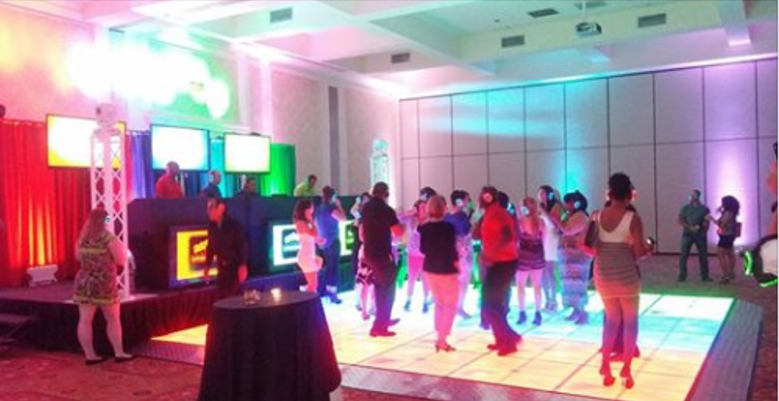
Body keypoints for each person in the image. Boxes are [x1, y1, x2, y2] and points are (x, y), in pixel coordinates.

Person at [591, 173, 653, 389]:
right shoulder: (633, 218)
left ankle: (605, 364)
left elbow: (590, 245)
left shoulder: (597, 215)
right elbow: (638, 253)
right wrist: (649, 248)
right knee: (630, 322)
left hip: (603, 274)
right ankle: (626, 369)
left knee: (611, 320)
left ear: (609, 192)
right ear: (629, 193)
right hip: (626, 275)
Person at [73, 208, 133, 364]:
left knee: (85, 319)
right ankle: (119, 352)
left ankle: (90, 355)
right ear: (106, 221)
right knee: (113, 318)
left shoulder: (82, 238)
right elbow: (121, 260)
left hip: (84, 282)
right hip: (104, 282)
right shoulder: (109, 238)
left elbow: (78, 257)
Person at [474, 186, 522, 356]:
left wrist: (491, 254)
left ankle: (508, 341)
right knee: (491, 303)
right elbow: (475, 234)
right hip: (499, 262)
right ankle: (506, 338)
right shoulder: (489, 213)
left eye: (484, 196)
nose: (481, 199)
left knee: (491, 303)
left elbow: (507, 236)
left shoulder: (498, 213)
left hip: (503, 262)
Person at [361, 182, 405, 337]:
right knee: (387, 291)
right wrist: (404, 223)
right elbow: (398, 232)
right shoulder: (386, 210)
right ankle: (380, 326)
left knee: (380, 287)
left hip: (368, 253)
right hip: (382, 255)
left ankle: (382, 320)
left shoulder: (366, 208)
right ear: (386, 194)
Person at [419, 195, 460, 352]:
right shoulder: (448, 228)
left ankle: (439, 335)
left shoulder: (424, 228)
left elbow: (423, 249)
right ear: (443, 208)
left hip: (430, 268)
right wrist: (457, 265)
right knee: (451, 304)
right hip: (446, 269)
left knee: (440, 303)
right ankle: (442, 338)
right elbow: (451, 250)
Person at [548, 190, 591, 325]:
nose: (566, 205)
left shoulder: (581, 216)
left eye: (568, 202)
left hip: (578, 257)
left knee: (578, 285)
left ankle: (582, 312)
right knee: (569, 285)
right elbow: (561, 230)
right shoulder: (570, 215)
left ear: (577, 203)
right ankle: (575, 310)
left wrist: (556, 219)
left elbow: (568, 230)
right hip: (568, 256)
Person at [204, 198, 248, 298]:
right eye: (207, 208)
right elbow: (210, 247)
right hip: (221, 268)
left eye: (211, 207)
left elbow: (242, 245)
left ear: (221, 208)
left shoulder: (234, 225)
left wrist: (243, 265)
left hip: (234, 268)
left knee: (231, 298)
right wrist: (207, 266)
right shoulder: (212, 226)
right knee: (221, 297)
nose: (208, 211)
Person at [515, 197, 546, 326]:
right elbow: (543, 240)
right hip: (538, 255)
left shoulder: (520, 222)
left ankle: (522, 312)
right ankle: (538, 313)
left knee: (520, 285)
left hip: (523, 256)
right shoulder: (541, 222)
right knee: (537, 285)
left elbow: (516, 241)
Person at [445, 190, 474, 319]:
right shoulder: (461, 216)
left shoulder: (447, 216)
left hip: (450, 252)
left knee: (454, 281)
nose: (468, 202)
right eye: (467, 199)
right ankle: (458, 307)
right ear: (459, 201)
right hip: (463, 252)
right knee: (463, 281)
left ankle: (452, 306)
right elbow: (466, 233)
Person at [314, 186, 346, 303]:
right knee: (334, 267)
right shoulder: (331, 208)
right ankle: (333, 293)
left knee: (328, 267)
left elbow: (315, 224)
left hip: (323, 242)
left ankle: (327, 291)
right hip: (333, 240)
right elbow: (343, 218)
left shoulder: (318, 209)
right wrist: (339, 205)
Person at [404, 199, 431, 313]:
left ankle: (425, 301)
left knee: (426, 278)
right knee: (412, 277)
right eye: (422, 207)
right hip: (413, 253)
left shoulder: (430, 221)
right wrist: (410, 212)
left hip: (426, 254)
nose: (424, 209)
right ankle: (408, 300)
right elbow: (398, 217)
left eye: (426, 207)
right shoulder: (412, 220)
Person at [678, 189, 711, 282]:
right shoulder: (685, 208)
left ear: (698, 196)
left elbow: (707, 221)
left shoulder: (704, 209)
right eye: (691, 195)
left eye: (694, 195)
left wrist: (705, 230)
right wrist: (689, 227)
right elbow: (680, 220)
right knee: (683, 255)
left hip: (700, 234)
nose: (692, 197)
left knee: (703, 255)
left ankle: (705, 276)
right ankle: (682, 275)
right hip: (687, 234)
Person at [538, 185, 563, 311]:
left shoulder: (556, 206)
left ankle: (554, 299)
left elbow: (555, 223)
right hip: (542, 240)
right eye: (539, 194)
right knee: (542, 271)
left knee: (550, 270)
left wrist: (545, 212)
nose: (541, 196)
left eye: (543, 193)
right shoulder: (541, 208)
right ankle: (547, 298)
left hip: (552, 240)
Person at [293, 199, 324, 293]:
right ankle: (304, 298)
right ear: (306, 209)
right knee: (313, 285)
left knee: (313, 283)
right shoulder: (301, 223)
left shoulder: (305, 223)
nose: (313, 210)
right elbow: (314, 233)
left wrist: (317, 241)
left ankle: (306, 296)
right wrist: (312, 222)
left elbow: (311, 237)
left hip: (309, 255)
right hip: (306, 256)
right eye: (311, 207)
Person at [709, 196, 740, 284]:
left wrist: (712, 219)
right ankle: (731, 273)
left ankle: (726, 275)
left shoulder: (728, 213)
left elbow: (721, 224)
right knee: (730, 253)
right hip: (730, 235)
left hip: (726, 236)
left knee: (721, 254)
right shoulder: (731, 212)